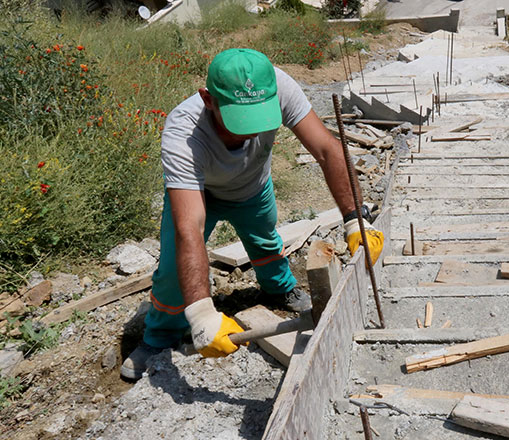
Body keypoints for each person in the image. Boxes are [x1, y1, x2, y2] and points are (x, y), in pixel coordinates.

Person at [120, 48, 383, 380]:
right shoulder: (182, 131)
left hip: (253, 188)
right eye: (238, 122)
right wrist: (202, 316)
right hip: (200, 194)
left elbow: (327, 149)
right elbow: (190, 227)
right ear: (208, 99)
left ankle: (279, 288)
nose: (248, 134)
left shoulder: (278, 85)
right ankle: (158, 338)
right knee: (174, 267)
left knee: (265, 240)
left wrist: (353, 218)